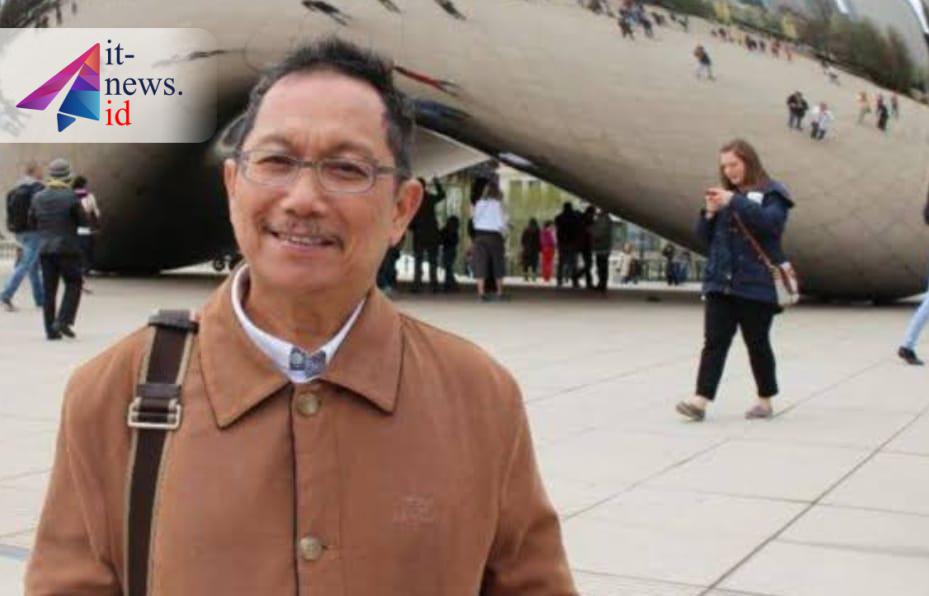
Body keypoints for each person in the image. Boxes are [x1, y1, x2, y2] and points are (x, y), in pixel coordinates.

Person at [26, 38, 576, 594]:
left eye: (346, 168)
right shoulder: (114, 393)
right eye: (276, 161)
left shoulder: (477, 396)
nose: (303, 199)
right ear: (232, 186)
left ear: (402, 209)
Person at [676, 139, 794, 422]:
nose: (729, 171)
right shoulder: (725, 196)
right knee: (714, 342)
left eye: (734, 164)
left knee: (757, 343)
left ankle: (765, 399)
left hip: (756, 283)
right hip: (721, 282)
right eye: (725, 166)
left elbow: (771, 225)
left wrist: (735, 201)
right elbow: (704, 238)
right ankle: (700, 400)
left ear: (749, 162)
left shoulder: (773, 193)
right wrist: (709, 213)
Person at [30, 158, 86, 340]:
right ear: (68, 176)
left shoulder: (38, 197)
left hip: (45, 249)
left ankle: (50, 331)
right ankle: (63, 320)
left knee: (49, 291)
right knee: (74, 282)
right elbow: (83, 222)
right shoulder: (71, 197)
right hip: (68, 248)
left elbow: (32, 222)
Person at [1, 162, 45, 312]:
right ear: (35, 172)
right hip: (34, 231)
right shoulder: (39, 188)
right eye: (40, 170)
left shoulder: (16, 189)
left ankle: (40, 299)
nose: (42, 172)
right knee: (26, 264)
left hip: (19, 231)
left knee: (33, 266)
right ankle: (6, 295)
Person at [471, 180, 509, 301]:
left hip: (480, 236)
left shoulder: (479, 204)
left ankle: (481, 294)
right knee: (498, 263)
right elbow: (502, 222)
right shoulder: (498, 205)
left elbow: (474, 220)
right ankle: (499, 293)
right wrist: (506, 230)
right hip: (494, 236)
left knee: (480, 264)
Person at [410, 176, 445, 293]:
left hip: (419, 233)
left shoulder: (413, 199)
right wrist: (437, 183)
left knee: (418, 260)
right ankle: (434, 285)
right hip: (432, 233)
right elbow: (442, 195)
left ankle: (417, 285)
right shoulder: (429, 198)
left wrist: (411, 227)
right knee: (433, 260)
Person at [73, 175, 101, 277]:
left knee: (76, 246)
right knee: (87, 246)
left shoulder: (69, 195)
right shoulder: (88, 195)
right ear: (84, 184)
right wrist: (97, 225)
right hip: (84, 224)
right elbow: (95, 211)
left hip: (73, 225)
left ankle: (77, 267)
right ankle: (87, 268)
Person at [555, 202, 579, 287]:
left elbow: (557, 227)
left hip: (562, 242)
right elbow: (578, 229)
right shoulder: (575, 217)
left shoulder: (559, 217)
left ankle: (559, 280)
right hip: (572, 242)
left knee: (561, 262)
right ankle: (574, 281)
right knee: (573, 263)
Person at [589, 208, 613, 292]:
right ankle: (602, 283)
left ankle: (602, 284)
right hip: (604, 247)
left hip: (602, 247)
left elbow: (598, 233)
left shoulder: (603, 219)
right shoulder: (606, 219)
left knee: (602, 267)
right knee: (602, 267)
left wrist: (590, 230)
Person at [574, 206, 595, 289]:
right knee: (589, 264)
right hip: (585, 245)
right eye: (592, 214)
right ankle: (578, 277)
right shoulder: (586, 221)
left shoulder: (582, 220)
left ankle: (580, 278)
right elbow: (589, 233)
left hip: (583, 245)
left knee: (588, 264)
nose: (593, 215)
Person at [439, 214, 460, 292]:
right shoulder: (455, 232)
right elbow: (456, 241)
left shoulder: (446, 230)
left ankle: (450, 285)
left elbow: (441, 239)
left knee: (448, 269)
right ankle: (450, 285)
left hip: (447, 251)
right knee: (449, 268)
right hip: (452, 251)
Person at [520, 217, 541, 282]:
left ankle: (525, 277)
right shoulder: (538, 230)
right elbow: (539, 240)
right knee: (534, 264)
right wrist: (539, 248)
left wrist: (524, 246)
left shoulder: (526, 230)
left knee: (526, 264)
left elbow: (522, 240)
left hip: (527, 249)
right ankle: (534, 277)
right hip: (535, 250)